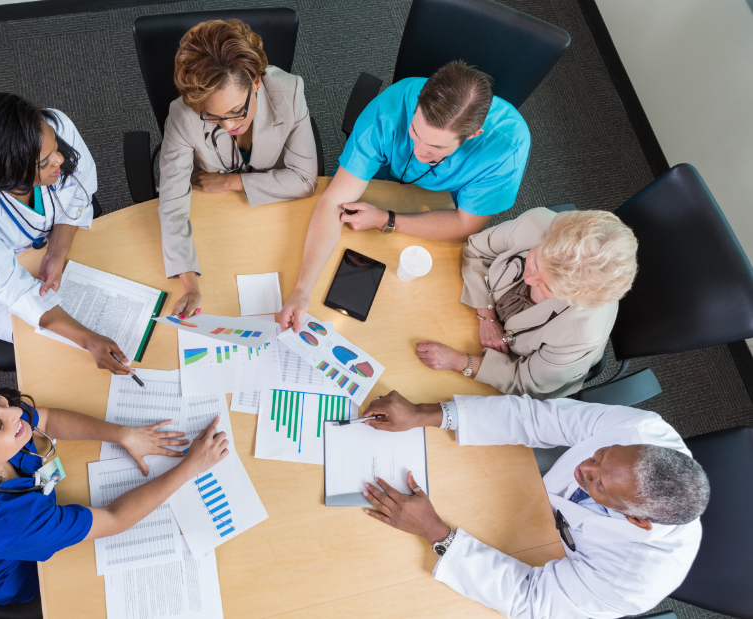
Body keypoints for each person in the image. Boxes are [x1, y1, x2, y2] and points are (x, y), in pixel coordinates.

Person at [0, 351, 229, 605]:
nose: (15, 411)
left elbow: (45, 418)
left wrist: (122, 434)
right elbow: (113, 518)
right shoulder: (9, 520)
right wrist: (190, 467)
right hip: (3, 579)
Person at [359, 391, 710, 619]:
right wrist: (423, 413)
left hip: (548, 559)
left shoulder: (633, 582)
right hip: (525, 505)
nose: (582, 468)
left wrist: (434, 531)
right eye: (601, 454)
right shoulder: (641, 430)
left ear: (636, 520)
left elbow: (529, 598)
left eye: (598, 483)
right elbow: (538, 419)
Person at [280, 60, 531, 332]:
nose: (419, 150)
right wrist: (302, 290)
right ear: (417, 105)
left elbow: (465, 225)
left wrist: (387, 220)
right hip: (383, 177)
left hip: (441, 202)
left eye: (436, 147)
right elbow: (333, 201)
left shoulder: (508, 148)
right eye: (415, 131)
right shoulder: (391, 109)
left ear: (473, 135)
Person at [0, 92, 132, 376]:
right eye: (44, 163)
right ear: (0, 176)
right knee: (53, 354)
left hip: (55, 240)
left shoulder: (50, 125)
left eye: (55, 148)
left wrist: (58, 249)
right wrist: (86, 339)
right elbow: (11, 286)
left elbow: (81, 186)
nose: (59, 159)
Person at [158, 19, 319, 318]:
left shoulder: (289, 91)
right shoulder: (183, 114)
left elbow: (305, 180)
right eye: (214, 117)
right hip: (214, 214)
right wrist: (189, 283)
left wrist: (233, 182)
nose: (230, 126)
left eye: (236, 111)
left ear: (256, 82)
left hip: (271, 213)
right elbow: (172, 205)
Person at [417, 207, 637, 398]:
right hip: (475, 312)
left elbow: (527, 384)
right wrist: (487, 316)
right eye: (535, 261)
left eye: (546, 286)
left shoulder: (582, 334)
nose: (528, 279)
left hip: (511, 364)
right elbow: (476, 250)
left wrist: (460, 361)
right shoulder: (537, 223)